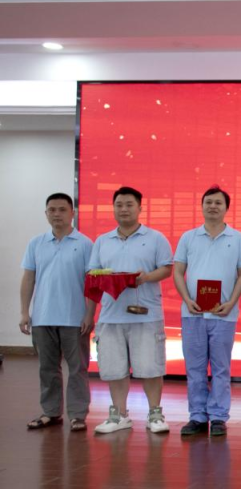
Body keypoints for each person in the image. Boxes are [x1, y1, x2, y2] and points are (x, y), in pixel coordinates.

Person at [88, 186, 174, 434]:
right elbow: (93, 272)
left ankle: (155, 414)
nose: (124, 209)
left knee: (151, 367)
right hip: (110, 315)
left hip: (146, 314)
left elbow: (166, 269)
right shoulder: (103, 240)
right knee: (113, 368)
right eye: (119, 205)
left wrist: (144, 278)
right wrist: (106, 277)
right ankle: (119, 415)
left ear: (140, 208)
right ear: (113, 208)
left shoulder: (155, 238)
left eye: (129, 205)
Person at [172, 185, 241, 436]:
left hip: (223, 314)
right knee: (194, 368)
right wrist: (187, 300)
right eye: (208, 202)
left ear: (226, 208)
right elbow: (178, 271)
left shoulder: (238, 239)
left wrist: (232, 303)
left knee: (220, 368)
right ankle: (197, 415)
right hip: (193, 313)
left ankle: (218, 416)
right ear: (202, 206)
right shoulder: (188, 237)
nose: (213, 206)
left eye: (218, 203)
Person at [20, 192, 94, 432]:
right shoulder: (36, 243)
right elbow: (28, 278)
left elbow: (92, 283)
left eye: (62, 209)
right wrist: (24, 312)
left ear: (72, 213)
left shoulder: (85, 244)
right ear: (46, 214)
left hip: (74, 318)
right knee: (47, 369)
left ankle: (77, 415)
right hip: (42, 318)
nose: (57, 214)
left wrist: (89, 314)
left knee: (78, 369)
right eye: (52, 210)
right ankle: (51, 413)